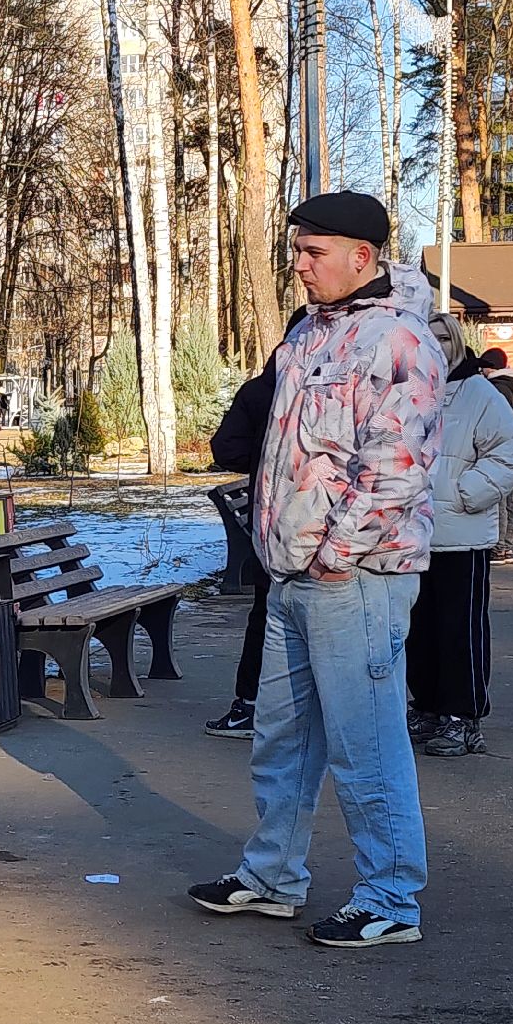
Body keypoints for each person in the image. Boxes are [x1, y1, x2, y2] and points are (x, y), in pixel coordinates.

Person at [188, 191, 446, 949]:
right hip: (292, 574)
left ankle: (390, 898)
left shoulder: (399, 339)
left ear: (362, 257)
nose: (299, 265)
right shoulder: (307, 334)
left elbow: (395, 469)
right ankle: (272, 876)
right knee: (282, 739)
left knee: (366, 745)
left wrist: (335, 554)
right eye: (296, 250)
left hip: (355, 578)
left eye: (313, 252)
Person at [405, 323, 513, 758]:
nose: (436, 346)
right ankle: (428, 706)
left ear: (457, 342)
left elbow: (507, 454)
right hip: (411, 536)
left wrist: (465, 493)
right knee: (418, 631)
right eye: (428, 337)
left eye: (444, 338)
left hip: (461, 536)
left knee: (460, 630)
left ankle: (463, 715)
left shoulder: (479, 394)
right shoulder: (411, 389)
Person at [203, 309, 308, 739]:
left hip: (274, 517)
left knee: (268, 612)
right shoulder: (329, 386)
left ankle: (250, 702)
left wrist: (264, 462)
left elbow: (226, 448)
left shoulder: (262, 387)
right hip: (324, 519)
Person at [477, 348, 513, 563]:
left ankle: (499, 547)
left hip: (499, 449)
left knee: (499, 502)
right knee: (509, 501)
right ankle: (507, 546)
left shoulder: (497, 388)